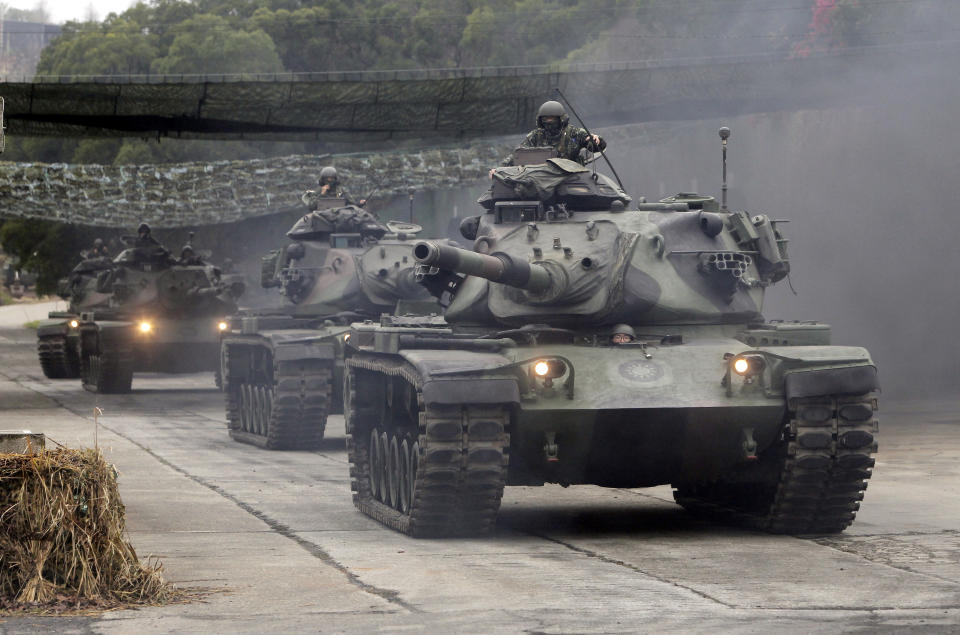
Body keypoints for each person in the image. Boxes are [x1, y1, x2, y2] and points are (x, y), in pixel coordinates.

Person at [497, 101, 607, 171]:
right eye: (545, 119)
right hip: (544, 177)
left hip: (571, 175)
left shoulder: (574, 133)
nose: (549, 122)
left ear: (561, 119)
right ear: (540, 120)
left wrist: (595, 141)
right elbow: (519, 154)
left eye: (552, 118)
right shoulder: (536, 136)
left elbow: (597, 146)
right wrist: (499, 170)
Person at [301, 166, 366, 209]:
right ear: (323, 180)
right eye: (327, 178)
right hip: (322, 217)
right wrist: (322, 194)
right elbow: (312, 206)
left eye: (331, 178)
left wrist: (359, 204)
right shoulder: (319, 191)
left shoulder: (341, 191)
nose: (329, 180)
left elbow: (352, 204)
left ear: (335, 179)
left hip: (340, 216)